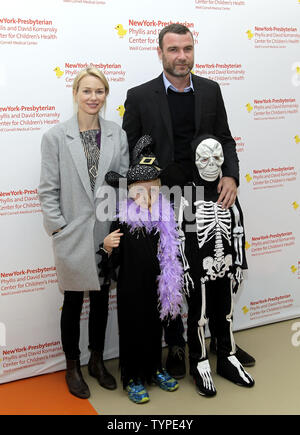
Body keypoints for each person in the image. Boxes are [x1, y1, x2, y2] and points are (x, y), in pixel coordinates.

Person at [122, 23, 255, 376]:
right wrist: (143, 182)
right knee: (176, 273)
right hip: (167, 199)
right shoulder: (139, 96)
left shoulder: (211, 90)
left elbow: (225, 139)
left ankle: (221, 341)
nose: (182, 57)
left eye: (187, 49)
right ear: (160, 53)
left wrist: (230, 175)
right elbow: (129, 150)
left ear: (193, 50)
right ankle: (178, 345)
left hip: (211, 194)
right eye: (174, 50)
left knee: (216, 269)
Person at [38, 67, 129, 399]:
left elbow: (123, 185)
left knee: (103, 300)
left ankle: (97, 362)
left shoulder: (117, 134)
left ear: (106, 95)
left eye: (100, 91)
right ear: (76, 93)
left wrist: (120, 226)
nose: (93, 98)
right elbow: (47, 190)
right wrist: (59, 229)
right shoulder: (56, 137)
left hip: (107, 232)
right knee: (74, 302)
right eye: (87, 91)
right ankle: (72, 366)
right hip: (72, 235)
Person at [101, 135, 183, 404]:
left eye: (153, 187)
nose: (147, 194)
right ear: (129, 191)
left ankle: (155, 369)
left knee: (153, 328)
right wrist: (107, 248)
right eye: (140, 189)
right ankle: (134, 377)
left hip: (156, 285)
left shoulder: (165, 216)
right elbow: (111, 264)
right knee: (133, 329)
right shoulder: (122, 218)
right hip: (131, 286)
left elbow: (171, 253)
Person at [177, 135, 254, 396]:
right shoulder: (189, 193)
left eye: (217, 158)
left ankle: (226, 356)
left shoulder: (226, 191)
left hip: (226, 263)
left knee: (226, 313)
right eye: (205, 158)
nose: (211, 164)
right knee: (199, 317)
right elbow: (180, 234)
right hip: (199, 268)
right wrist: (186, 269)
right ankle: (199, 361)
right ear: (195, 160)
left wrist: (240, 264)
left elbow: (238, 227)